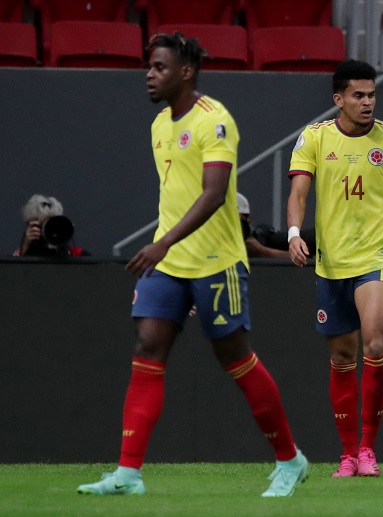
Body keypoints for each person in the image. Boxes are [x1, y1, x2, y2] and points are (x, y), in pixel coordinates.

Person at [76, 32, 309, 497]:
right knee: (147, 348)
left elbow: (214, 193)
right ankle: (128, 473)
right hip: (170, 264)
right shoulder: (159, 124)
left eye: (159, 67)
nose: (149, 74)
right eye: (148, 66)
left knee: (234, 357)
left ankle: (290, 459)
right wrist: (165, 249)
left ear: (186, 72)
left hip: (216, 261)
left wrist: (161, 243)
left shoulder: (214, 120)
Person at [287, 59, 383, 477]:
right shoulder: (313, 138)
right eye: (359, 96)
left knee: (375, 346)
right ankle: (348, 453)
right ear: (339, 99)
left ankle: (368, 448)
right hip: (332, 263)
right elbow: (298, 192)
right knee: (343, 357)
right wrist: (294, 232)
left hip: (376, 259)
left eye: (372, 95)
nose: (368, 103)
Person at [14, 194, 89, 257]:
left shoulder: (79, 255)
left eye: (54, 223)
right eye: (43, 223)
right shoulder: (20, 255)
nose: (50, 228)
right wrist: (25, 245)